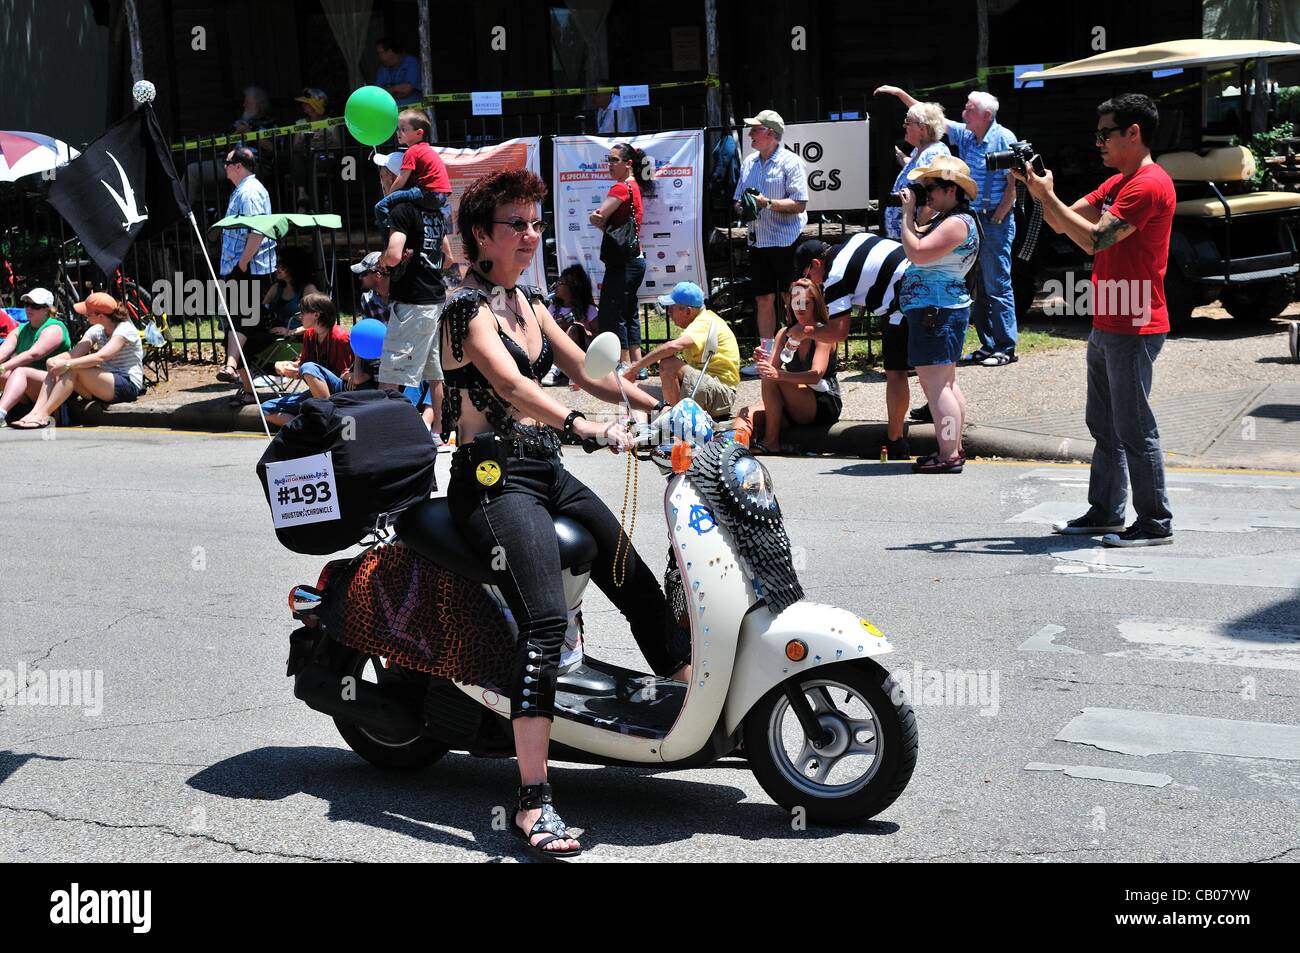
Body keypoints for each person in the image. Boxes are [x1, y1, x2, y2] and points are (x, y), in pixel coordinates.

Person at [440, 168, 687, 856]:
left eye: (535, 222)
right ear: (483, 236)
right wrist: (587, 426)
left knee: (631, 577)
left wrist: (663, 410)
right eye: (515, 224)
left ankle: (691, 710)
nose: (529, 234)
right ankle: (531, 801)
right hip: (492, 480)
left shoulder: (528, 300)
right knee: (545, 621)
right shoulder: (465, 309)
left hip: (542, 468)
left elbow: (587, 369)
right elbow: (514, 384)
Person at [1018, 93, 1175, 548]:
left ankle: (1155, 522)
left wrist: (1047, 196)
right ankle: (1106, 511)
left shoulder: (1149, 184)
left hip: (1137, 322)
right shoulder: (1119, 182)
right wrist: (1039, 192)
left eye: (1106, 133)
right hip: (1109, 317)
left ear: (1134, 133)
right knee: (1104, 426)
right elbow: (1064, 223)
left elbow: (1094, 241)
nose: (1099, 142)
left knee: (1134, 427)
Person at [877, 86, 1019, 366]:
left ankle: (1005, 347)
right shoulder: (967, 134)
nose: (963, 112)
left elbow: (1014, 181)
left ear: (986, 115)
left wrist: (1001, 214)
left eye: (969, 109)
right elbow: (930, 117)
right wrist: (899, 94)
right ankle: (987, 344)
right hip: (971, 219)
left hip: (993, 220)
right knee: (974, 283)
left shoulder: (1004, 138)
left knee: (997, 284)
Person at [791, 236, 913, 459]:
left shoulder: (835, 275)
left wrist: (806, 332)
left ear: (817, 264)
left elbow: (838, 332)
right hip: (926, 280)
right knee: (933, 367)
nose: (812, 282)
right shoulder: (852, 242)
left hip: (903, 299)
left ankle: (895, 442)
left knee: (896, 372)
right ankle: (937, 413)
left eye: (808, 275)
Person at [896, 156, 980, 474]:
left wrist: (907, 213)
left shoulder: (957, 223)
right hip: (942, 310)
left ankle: (948, 455)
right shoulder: (955, 220)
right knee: (945, 383)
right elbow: (920, 237)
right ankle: (952, 448)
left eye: (931, 187)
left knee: (936, 387)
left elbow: (916, 250)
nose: (926, 192)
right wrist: (919, 212)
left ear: (951, 190)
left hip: (936, 312)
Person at [375, 148, 448, 445]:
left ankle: (387, 434)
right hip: (434, 297)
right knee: (434, 372)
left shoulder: (401, 210)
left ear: (395, 176)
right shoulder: (433, 210)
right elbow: (448, 255)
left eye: (383, 173)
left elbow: (393, 255)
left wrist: (383, 260)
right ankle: (438, 433)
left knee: (391, 372)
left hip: (413, 302)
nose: (381, 179)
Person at [732, 110, 809, 375]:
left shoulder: (791, 162)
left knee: (792, 297)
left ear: (771, 134)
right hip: (758, 240)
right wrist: (744, 208)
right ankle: (765, 357)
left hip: (787, 240)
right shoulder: (749, 163)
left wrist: (768, 203)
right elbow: (737, 200)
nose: (751, 134)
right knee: (763, 299)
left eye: (756, 129)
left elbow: (800, 203)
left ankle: (793, 355)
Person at [6, 293, 144, 429]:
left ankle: (43, 415)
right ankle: (35, 412)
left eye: (88, 313)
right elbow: (74, 354)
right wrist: (54, 360)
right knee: (57, 366)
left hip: (127, 384)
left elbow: (101, 356)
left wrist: (66, 364)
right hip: (103, 385)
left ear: (100, 316)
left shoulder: (124, 329)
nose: (84, 315)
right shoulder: (96, 330)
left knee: (72, 369)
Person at [741, 277, 842, 454]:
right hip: (796, 400)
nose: (800, 308)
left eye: (806, 303)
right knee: (747, 413)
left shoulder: (822, 332)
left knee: (772, 378)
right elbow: (770, 370)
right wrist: (761, 360)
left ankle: (771, 441)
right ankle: (733, 449)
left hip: (823, 400)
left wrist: (779, 375)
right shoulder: (784, 333)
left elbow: (816, 374)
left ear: (816, 304)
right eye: (796, 303)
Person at [215, 145, 278, 405]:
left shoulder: (250, 191)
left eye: (227, 162)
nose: (225, 167)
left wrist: (242, 263)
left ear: (239, 166)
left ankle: (231, 366)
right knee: (233, 324)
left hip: (249, 269)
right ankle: (244, 384)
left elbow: (258, 230)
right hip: (240, 269)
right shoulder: (243, 190)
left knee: (239, 323)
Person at [624, 281, 739, 420]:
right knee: (634, 391)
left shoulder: (703, 322)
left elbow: (672, 347)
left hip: (720, 395)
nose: (668, 312)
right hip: (708, 391)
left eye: (672, 308)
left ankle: (677, 423)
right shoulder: (701, 321)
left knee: (668, 364)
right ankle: (637, 434)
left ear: (688, 311)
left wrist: (635, 368)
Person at [590, 140, 653, 376]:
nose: (610, 165)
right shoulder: (635, 187)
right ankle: (639, 364)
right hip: (635, 259)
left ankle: (623, 365)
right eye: (608, 160)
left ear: (628, 163)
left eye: (614, 160)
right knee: (629, 312)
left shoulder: (620, 188)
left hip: (622, 262)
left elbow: (599, 216)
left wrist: (593, 217)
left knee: (616, 312)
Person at [260, 293, 354, 426]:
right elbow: (302, 367)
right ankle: (309, 429)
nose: (300, 316)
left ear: (316, 315)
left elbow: (344, 375)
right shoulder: (309, 334)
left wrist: (304, 368)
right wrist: (286, 366)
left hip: (339, 392)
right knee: (266, 409)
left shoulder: (340, 337)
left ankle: (328, 419)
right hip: (316, 394)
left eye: (303, 312)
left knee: (308, 367)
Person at [185, 87, 274, 215]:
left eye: (247, 102)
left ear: (258, 105)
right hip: (228, 163)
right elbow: (220, 144)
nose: (243, 105)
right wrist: (236, 133)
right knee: (192, 170)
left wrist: (250, 133)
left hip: (255, 165)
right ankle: (180, 212)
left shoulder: (269, 123)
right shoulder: (238, 123)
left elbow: (272, 147)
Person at [0, 288, 71, 426]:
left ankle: (1, 413)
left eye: (35, 305)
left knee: (20, 371)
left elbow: (34, 354)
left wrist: (3, 367)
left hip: (54, 384)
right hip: (28, 386)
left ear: (47, 309)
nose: (28, 308)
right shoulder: (20, 330)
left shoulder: (55, 328)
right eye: (26, 304)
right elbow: (2, 352)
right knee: (5, 374)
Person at [373, 110, 452, 228]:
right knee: (434, 220)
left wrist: (389, 197)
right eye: (397, 129)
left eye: (403, 129)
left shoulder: (413, 151)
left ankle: (389, 233)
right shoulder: (427, 149)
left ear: (419, 133)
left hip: (427, 192)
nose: (398, 132)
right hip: (441, 196)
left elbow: (402, 178)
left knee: (380, 206)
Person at [885, 102, 951, 241]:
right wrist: (898, 154)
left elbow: (932, 200)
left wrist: (916, 230)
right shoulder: (920, 151)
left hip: (914, 237)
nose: (904, 126)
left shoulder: (932, 154)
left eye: (908, 123)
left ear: (923, 128)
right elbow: (914, 169)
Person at [542, 265, 599, 386]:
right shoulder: (553, 308)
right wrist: (557, 326)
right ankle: (554, 369)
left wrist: (583, 329)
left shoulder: (588, 309)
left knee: (574, 329)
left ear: (572, 287)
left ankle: (564, 371)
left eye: (560, 282)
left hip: (582, 354)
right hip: (558, 353)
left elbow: (600, 337)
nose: (556, 285)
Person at [261, 247, 321, 338]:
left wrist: (290, 332)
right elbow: (261, 310)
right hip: (275, 337)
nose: (276, 267)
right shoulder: (277, 287)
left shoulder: (308, 289)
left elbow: (318, 321)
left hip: (300, 340)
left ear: (294, 266)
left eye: (281, 264)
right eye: (276, 264)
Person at [375, 37, 423, 107]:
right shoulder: (383, 68)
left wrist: (389, 90)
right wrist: (396, 88)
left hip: (414, 112)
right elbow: (377, 93)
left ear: (390, 51)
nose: (378, 56)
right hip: (390, 111)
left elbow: (407, 90)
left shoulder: (411, 62)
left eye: (380, 53)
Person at [352, 252, 391, 324]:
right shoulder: (366, 299)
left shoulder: (401, 297)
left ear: (377, 275)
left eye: (363, 274)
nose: (360, 277)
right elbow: (368, 331)